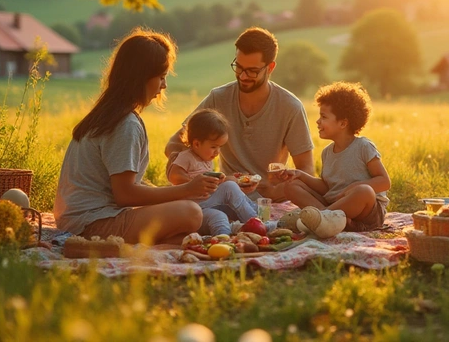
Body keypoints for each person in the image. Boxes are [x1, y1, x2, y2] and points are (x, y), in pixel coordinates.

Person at [54, 28, 217, 245]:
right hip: (92, 224)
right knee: (191, 213)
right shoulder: (125, 124)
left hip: (76, 220)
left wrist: (176, 192)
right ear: (140, 77)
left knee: (189, 233)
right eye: (161, 77)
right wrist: (185, 190)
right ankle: (154, 244)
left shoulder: (109, 114)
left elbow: (124, 189)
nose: (164, 85)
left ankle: (163, 243)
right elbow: (125, 195)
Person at [165, 27, 315, 202]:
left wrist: (275, 191)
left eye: (252, 71)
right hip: (224, 195)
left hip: (270, 199)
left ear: (270, 67)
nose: (243, 76)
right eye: (239, 67)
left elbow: (306, 169)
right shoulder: (218, 98)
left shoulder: (290, 107)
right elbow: (175, 143)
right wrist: (190, 178)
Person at [282, 81, 391, 232]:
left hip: (366, 212)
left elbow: (384, 182)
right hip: (336, 205)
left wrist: (354, 187)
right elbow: (328, 187)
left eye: (324, 117)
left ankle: (321, 218)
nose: (318, 121)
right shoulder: (327, 152)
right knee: (291, 186)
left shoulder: (363, 147)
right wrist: (301, 175)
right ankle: (327, 220)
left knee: (364, 191)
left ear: (343, 123)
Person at [167, 108, 259, 236]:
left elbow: (211, 186)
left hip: (206, 207)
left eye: (220, 147)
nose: (217, 152)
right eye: (213, 147)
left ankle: (227, 238)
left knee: (224, 213)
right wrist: (194, 183)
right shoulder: (186, 156)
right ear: (197, 144)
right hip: (191, 206)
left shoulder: (206, 159)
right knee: (228, 192)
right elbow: (174, 176)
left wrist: (223, 180)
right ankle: (257, 223)